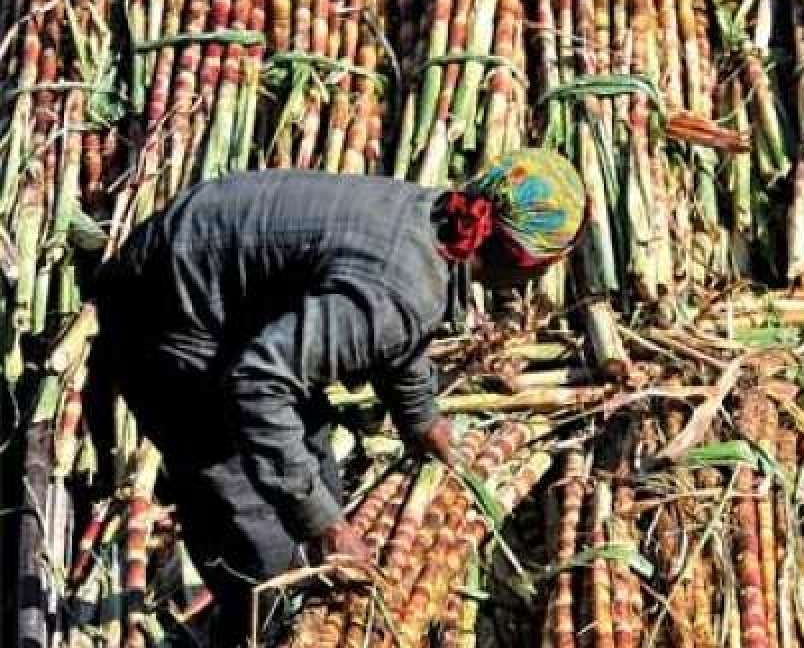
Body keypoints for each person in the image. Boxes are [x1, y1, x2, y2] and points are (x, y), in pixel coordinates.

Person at [82, 148, 587, 645]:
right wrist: (327, 528)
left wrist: (420, 418)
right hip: (168, 320)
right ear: (520, 260)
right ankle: (253, 629)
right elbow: (260, 384)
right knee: (263, 545)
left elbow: (391, 331)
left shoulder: (434, 221)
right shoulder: (406, 285)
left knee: (317, 474)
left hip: (227, 299)